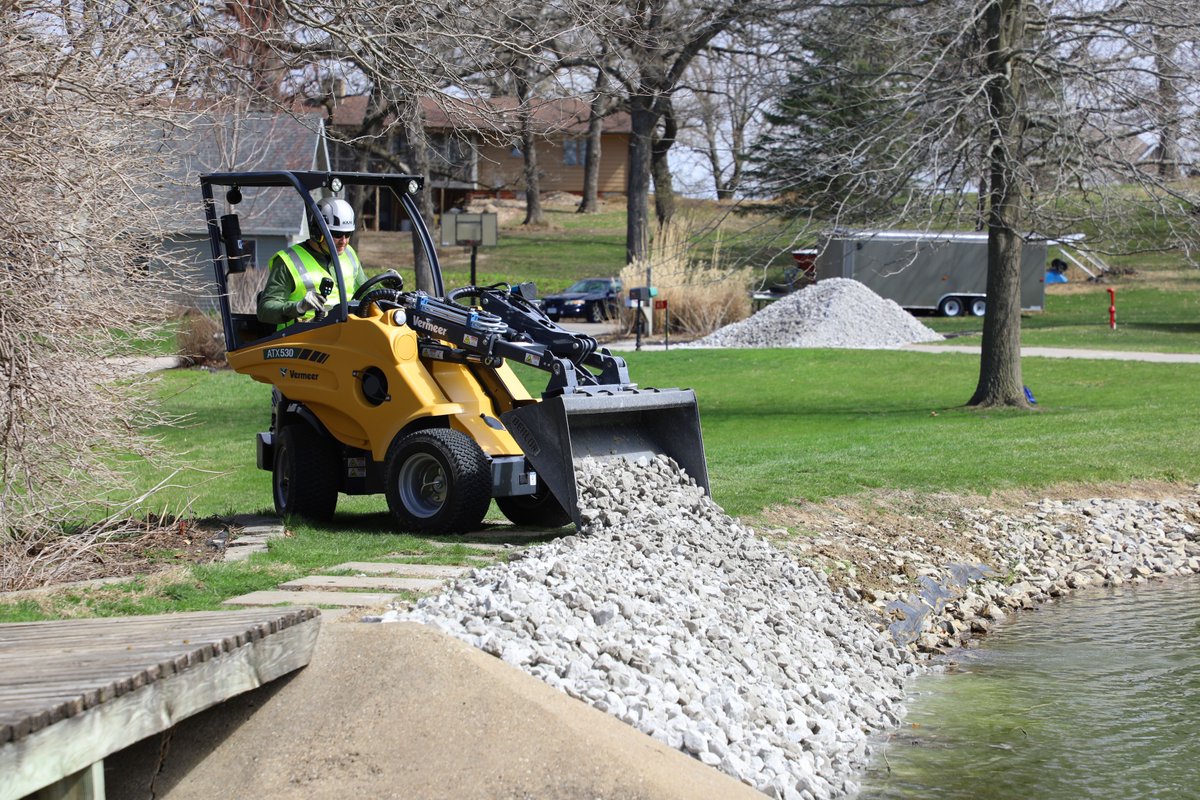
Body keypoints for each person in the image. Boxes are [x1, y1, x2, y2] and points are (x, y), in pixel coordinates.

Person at [257, 197, 368, 328]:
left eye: (348, 234)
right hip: (300, 341)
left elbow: (367, 291)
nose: (344, 241)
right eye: (337, 234)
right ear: (318, 232)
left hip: (345, 333)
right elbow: (265, 310)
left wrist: (388, 286)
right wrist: (298, 307)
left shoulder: (349, 253)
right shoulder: (288, 261)